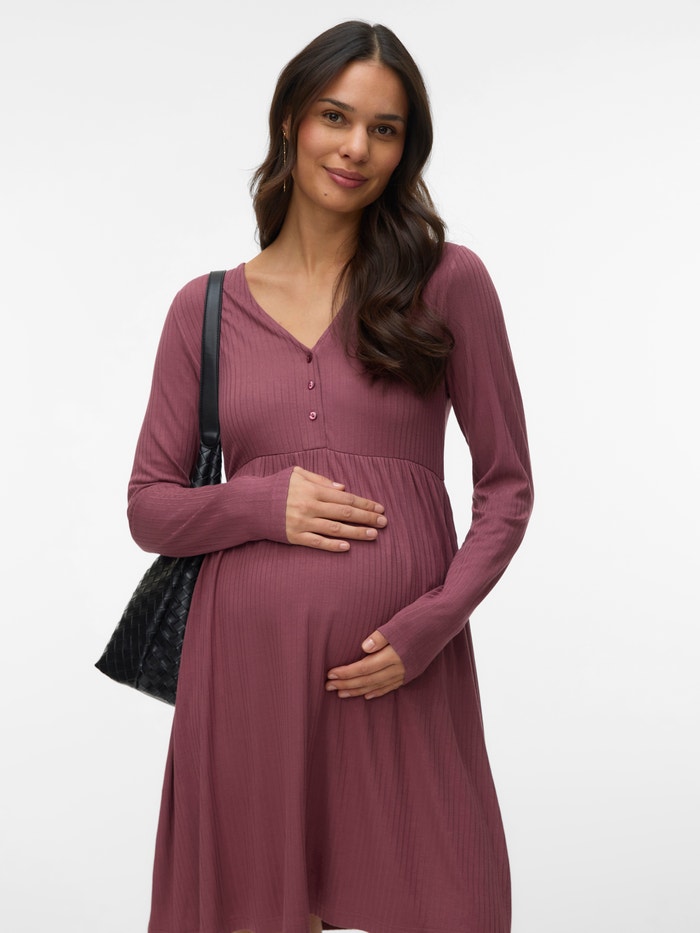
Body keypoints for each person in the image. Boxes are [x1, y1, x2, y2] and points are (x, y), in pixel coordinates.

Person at [127, 20, 533, 933]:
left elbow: (507, 487)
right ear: (291, 121)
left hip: (401, 668)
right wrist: (259, 501)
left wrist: (430, 624)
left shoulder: (447, 281)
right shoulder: (205, 309)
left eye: (384, 130)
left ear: (404, 150)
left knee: (453, 901)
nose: (356, 148)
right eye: (336, 117)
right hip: (246, 675)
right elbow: (150, 507)